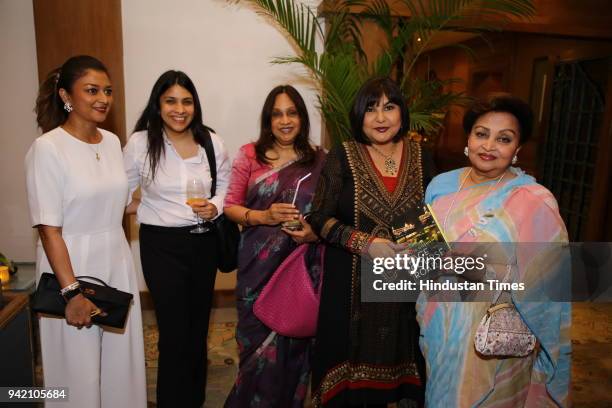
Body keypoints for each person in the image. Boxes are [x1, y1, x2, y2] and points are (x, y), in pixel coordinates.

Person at [417, 96, 571, 407]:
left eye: (504, 139)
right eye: (481, 133)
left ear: (518, 149)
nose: (489, 145)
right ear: (468, 138)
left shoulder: (533, 200)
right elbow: (423, 250)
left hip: (497, 337)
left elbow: (549, 282)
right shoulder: (440, 186)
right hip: (439, 329)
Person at [25, 55, 147, 407]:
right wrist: (71, 293)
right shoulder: (47, 149)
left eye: (107, 91)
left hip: (115, 258)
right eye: (92, 90)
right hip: (70, 265)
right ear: (66, 95)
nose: (103, 99)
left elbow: (119, 204)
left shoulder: (110, 141)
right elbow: (49, 229)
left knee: (121, 366)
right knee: (77, 372)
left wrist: (170, 202)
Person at [309, 77, 434, 407]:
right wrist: (365, 243)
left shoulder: (422, 156)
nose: (380, 118)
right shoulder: (344, 154)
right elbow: (318, 218)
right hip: (350, 288)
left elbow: (433, 217)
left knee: (405, 369)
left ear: (402, 112)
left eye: (389, 107)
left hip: (405, 289)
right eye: (371, 108)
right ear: (358, 115)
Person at [123, 70, 230, 407]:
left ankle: (193, 400)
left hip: (203, 243)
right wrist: (142, 207)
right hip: (161, 247)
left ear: (195, 106)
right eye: (171, 100)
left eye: (187, 101)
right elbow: (120, 191)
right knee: (173, 333)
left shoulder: (211, 141)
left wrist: (214, 206)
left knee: (198, 330)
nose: (179, 109)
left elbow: (226, 184)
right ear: (158, 104)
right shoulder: (140, 143)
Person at [223, 85, 326, 407]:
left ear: (302, 118)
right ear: (268, 120)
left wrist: (313, 231)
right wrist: (263, 216)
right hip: (257, 269)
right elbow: (230, 206)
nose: (285, 120)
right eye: (277, 114)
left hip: (301, 266)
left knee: (296, 346)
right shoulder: (250, 155)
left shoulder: (319, 159)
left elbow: (328, 212)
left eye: (291, 112)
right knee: (255, 348)